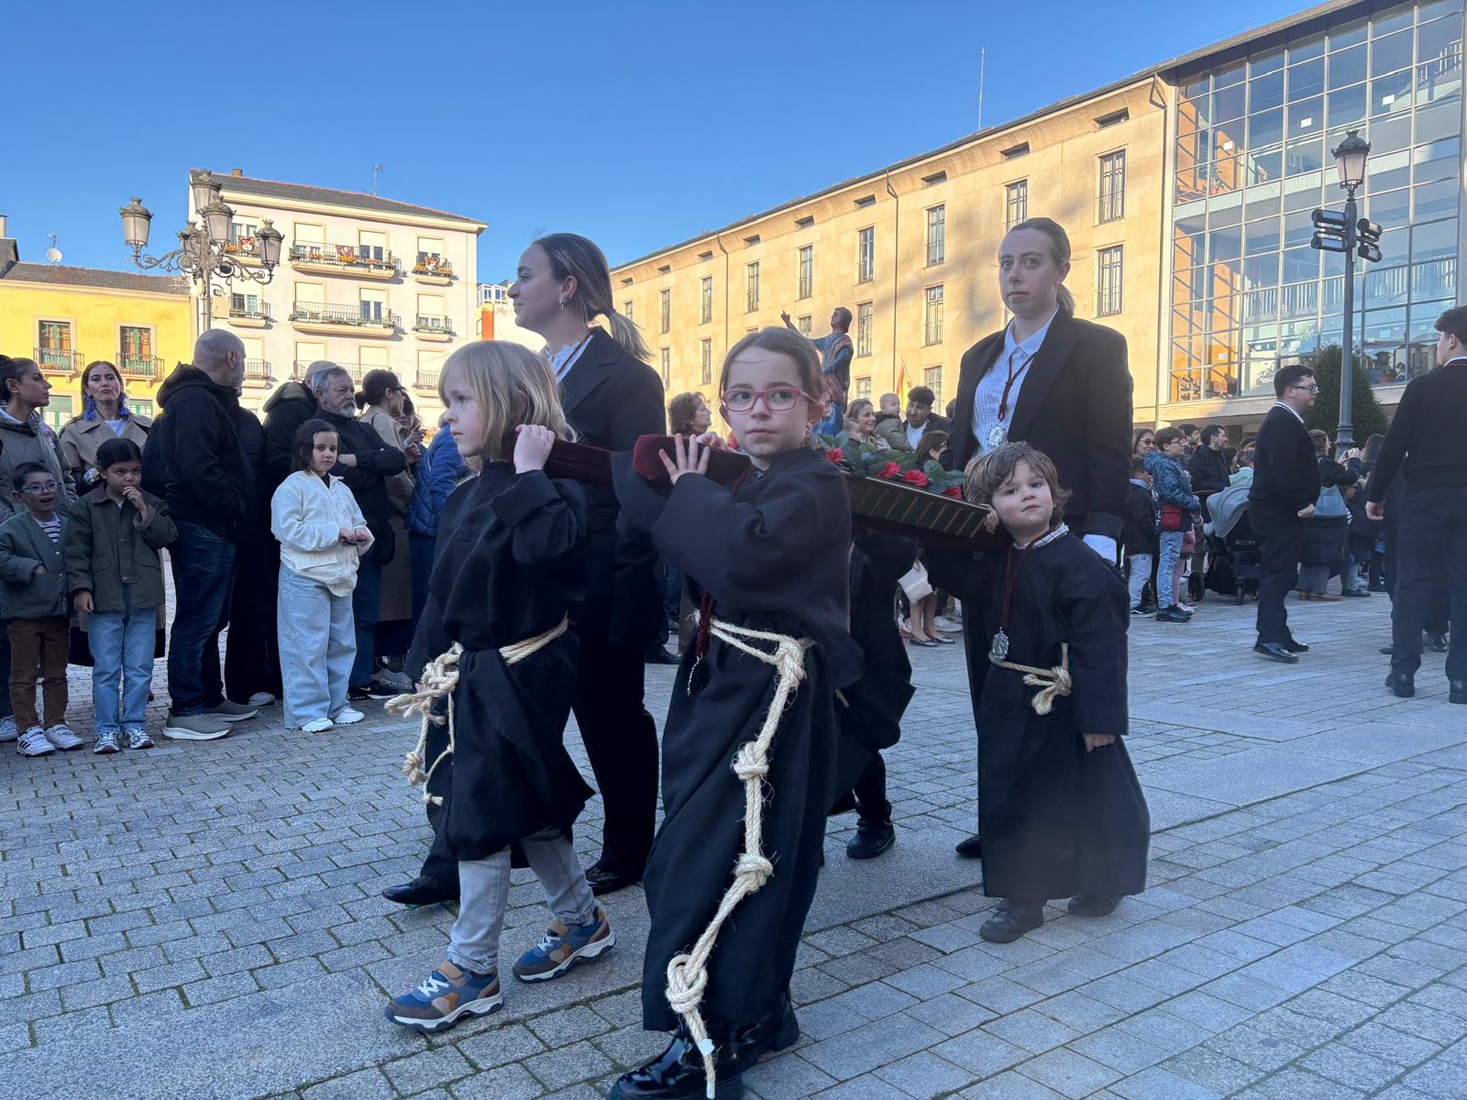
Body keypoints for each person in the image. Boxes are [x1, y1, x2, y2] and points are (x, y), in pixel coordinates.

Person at [607, 327, 859, 1099]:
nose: (759, 410)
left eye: (779, 395)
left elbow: (743, 559)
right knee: (722, 852)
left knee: (721, 865)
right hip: (723, 683)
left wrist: (687, 493)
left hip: (769, 700)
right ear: (722, 405)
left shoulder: (813, 484)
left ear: (817, 404)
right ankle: (763, 1011)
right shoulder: (748, 478)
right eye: (742, 396)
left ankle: (712, 1039)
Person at [384, 341, 612, 1034]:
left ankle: (470, 966)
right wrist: (424, 668)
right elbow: (443, 591)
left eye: (461, 400)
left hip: (525, 667)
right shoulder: (466, 490)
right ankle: (582, 922)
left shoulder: (558, 485)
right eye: (447, 400)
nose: (446, 416)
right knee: (528, 799)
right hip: (470, 672)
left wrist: (530, 473)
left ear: (513, 402)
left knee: (479, 811)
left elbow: (552, 553)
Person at [948, 216, 1132, 858]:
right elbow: (961, 451)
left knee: (1061, 682)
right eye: (1005, 263)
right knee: (993, 682)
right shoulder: (980, 356)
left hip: (1059, 538)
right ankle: (1005, 811)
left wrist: (1103, 538)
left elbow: (1110, 447)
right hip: (987, 542)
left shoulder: (1094, 346)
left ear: (1061, 270)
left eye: (1030, 262)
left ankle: (1080, 830)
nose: (1015, 275)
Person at [929, 442, 1146, 944]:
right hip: (1010, 700)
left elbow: (1103, 650)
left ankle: (1103, 881)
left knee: (1091, 797)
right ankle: (1022, 899)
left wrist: (1100, 718)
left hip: (1066, 706)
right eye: (1009, 491)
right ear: (988, 508)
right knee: (1014, 796)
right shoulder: (996, 560)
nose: (1027, 496)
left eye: (1036, 485)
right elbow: (949, 571)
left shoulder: (1084, 568)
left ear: (1054, 493)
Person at [508, 232, 666, 895]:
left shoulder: (626, 376)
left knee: (609, 717)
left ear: (566, 286)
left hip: (597, 579)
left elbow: (640, 491)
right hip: (531, 574)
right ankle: (505, 836)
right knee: (518, 712)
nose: (513, 288)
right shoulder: (527, 373)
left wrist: (627, 593)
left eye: (524, 275)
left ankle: (630, 850)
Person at [142, 330, 260, 739]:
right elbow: (198, 467)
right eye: (242, 360)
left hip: (210, 525)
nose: (243, 368)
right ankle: (186, 708)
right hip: (205, 526)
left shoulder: (197, 399)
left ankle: (209, 697)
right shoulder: (195, 400)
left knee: (212, 618)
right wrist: (230, 511)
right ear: (231, 357)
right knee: (197, 619)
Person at [1366, 305, 1467, 703]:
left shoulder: (1423, 387)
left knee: (1412, 582)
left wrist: (1376, 494)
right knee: (1465, 586)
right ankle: (1460, 679)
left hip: (1424, 497)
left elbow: (1395, 446)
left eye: (1439, 340)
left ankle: (1404, 672)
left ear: (1452, 339)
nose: (1438, 346)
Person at [65, 438, 177, 754]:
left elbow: (168, 537)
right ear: (101, 472)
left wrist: (144, 511)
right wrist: (82, 588)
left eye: (135, 471)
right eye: (120, 472)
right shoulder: (85, 506)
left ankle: (134, 725)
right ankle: (106, 729)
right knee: (107, 668)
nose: (129, 479)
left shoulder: (150, 502)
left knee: (140, 667)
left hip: (143, 596)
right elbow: (76, 552)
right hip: (103, 597)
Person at [305, 365, 408, 702]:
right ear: (321, 394)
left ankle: (360, 678)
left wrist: (353, 460)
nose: (350, 395)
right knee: (337, 616)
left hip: (371, 536)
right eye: (341, 390)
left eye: (351, 389)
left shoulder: (360, 428)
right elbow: (333, 477)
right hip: (338, 539)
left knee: (365, 611)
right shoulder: (314, 429)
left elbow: (394, 460)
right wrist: (367, 465)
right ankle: (339, 683)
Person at [271, 419, 373, 732]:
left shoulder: (341, 489)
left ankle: (337, 704)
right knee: (306, 646)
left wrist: (360, 534)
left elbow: (359, 521)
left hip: (340, 576)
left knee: (342, 643)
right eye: (321, 448)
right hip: (305, 575)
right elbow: (286, 530)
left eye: (332, 448)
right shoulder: (292, 487)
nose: (328, 454)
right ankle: (306, 712)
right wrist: (334, 533)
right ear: (305, 449)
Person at [0, 354, 76, 746]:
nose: (47, 386)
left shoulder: (45, 431)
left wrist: (71, 516)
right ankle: (16, 719)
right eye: (37, 379)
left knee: (54, 652)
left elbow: (64, 480)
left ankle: (55, 722)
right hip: (15, 544)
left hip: (55, 540)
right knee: (16, 643)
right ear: (13, 386)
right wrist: (13, 524)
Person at [833, 532, 916, 860]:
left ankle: (875, 818)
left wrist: (865, 524)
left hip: (868, 656)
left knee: (860, 735)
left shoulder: (870, 531)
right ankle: (803, 826)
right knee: (808, 736)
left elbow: (899, 550)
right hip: (809, 648)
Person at [0, 463, 81, 757]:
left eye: (50, 485)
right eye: (34, 487)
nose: (45, 492)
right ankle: (27, 729)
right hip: (24, 614)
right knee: (22, 674)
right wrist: (28, 567)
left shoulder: (68, 523)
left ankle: (56, 723)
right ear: (19, 496)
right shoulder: (11, 528)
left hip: (58, 613)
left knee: (56, 672)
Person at [1248, 363, 1321, 664]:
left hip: (1280, 511)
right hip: (1278, 511)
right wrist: (1300, 502)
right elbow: (1283, 470)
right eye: (1310, 387)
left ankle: (1278, 630)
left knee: (1284, 572)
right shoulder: (1280, 422)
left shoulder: (1287, 420)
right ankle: (1269, 636)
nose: (1315, 392)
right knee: (1277, 573)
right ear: (1291, 391)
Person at [406, 414, 470, 626]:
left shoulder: (452, 434)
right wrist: (457, 528)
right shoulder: (454, 438)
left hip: (429, 528)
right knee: (431, 608)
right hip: (433, 532)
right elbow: (442, 483)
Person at [57, 360, 153, 492]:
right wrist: (95, 474)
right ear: (87, 390)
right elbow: (70, 482)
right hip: (96, 506)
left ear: (120, 385)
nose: (105, 383)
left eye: (110, 378)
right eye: (96, 379)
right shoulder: (72, 432)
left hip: (144, 502)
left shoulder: (147, 427)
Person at [1145, 428, 1200, 623]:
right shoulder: (1166, 465)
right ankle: (1166, 606)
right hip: (1171, 519)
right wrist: (1193, 502)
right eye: (1179, 441)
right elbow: (1171, 492)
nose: (1183, 445)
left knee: (1169, 562)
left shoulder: (1168, 463)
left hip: (1174, 518)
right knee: (1168, 564)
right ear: (1166, 445)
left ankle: (1169, 604)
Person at [1297, 430, 1356, 601]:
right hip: (1328, 515)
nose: (1330, 445)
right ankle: (1319, 590)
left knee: (1309, 551)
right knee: (1325, 552)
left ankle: (1304, 588)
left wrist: (1337, 464)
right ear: (1322, 444)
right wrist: (1355, 461)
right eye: (1328, 441)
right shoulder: (1326, 464)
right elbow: (1349, 477)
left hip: (1309, 512)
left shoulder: (1304, 463)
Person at [781, 307, 852, 436]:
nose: (832, 317)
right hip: (825, 385)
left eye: (835, 315)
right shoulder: (827, 340)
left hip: (835, 386)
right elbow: (805, 342)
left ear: (843, 320)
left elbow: (842, 358)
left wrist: (825, 371)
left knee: (834, 416)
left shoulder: (844, 341)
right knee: (821, 414)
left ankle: (833, 445)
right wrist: (788, 323)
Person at [1124, 455, 1158, 614]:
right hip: (1140, 542)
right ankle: (1133, 604)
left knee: (1138, 572)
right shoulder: (1140, 494)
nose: (1150, 476)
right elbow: (1142, 519)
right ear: (1139, 474)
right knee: (1141, 574)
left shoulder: (1130, 492)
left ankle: (1134, 602)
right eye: (1148, 473)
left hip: (1133, 540)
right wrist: (1154, 535)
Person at [876, 385, 950, 451]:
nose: (913, 412)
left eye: (919, 407)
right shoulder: (898, 428)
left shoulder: (943, 425)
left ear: (929, 410)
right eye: (911, 405)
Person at [1187, 424, 1230, 495]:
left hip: (1223, 500)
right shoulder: (1198, 458)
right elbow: (1195, 483)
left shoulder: (1220, 456)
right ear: (1214, 438)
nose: (1226, 439)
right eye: (1223, 436)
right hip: (1207, 502)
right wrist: (1218, 487)